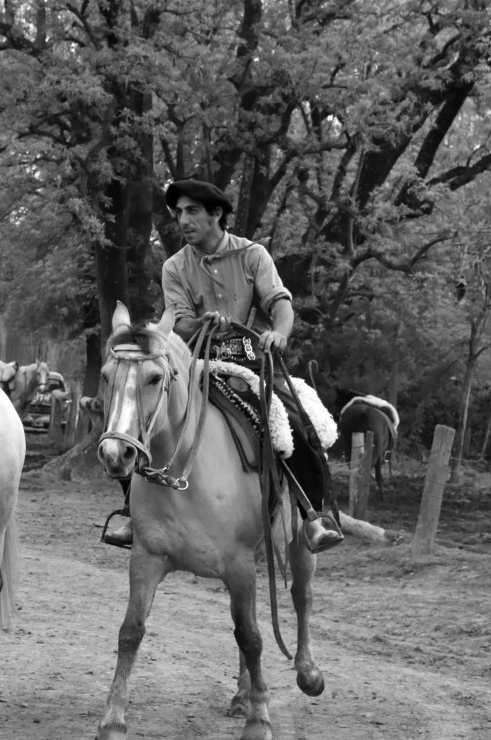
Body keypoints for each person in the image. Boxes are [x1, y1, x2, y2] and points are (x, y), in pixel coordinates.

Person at [103, 179, 342, 553]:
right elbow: (178, 321)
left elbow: (280, 304)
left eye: (192, 211)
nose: (183, 220)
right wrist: (200, 324)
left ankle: (312, 514)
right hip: (198, 363)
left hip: (252, 360)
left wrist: (279, 333)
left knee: (294, 422)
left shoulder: (253, 256)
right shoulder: (174, 266)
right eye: (179, 212)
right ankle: (133, 513)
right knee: (139, 415)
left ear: (217, 215)